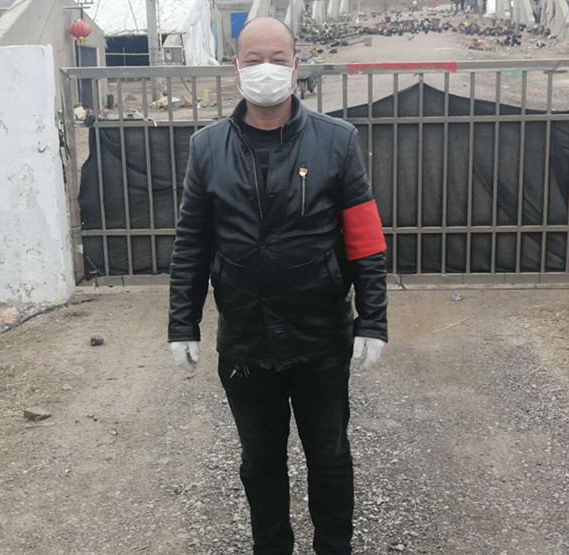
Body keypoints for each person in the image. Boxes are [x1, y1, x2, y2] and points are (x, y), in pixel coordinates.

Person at [167, 16, 388, 555]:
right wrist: (182, 323)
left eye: (277, 59)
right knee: (259, 462)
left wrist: (373, 319)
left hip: (321, 336)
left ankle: (334, 545)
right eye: (253, 60)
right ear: (236, 68)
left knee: (329, 456)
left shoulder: (337, 141)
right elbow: (192, 242)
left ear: (295, 66)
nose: (265, 69)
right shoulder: (207, 147)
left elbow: (363, 238)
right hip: (246, 338)